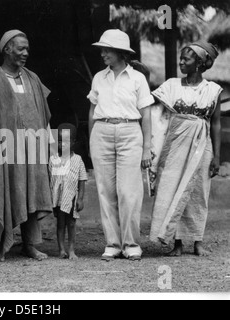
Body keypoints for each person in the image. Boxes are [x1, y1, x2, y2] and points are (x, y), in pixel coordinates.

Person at [0, 30, 53, 262]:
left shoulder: (32, 78)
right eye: (20, 49)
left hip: (32, 151)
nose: (26, 53)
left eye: (27, 49)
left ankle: (29, 245)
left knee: (32, 194)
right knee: (2, 192)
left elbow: (43, 115)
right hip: (3, 152)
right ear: (7, 49)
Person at [149, 41, 223, 257]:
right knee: (174, 187)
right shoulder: (171, 85)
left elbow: (216, 123)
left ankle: (197, 241)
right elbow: (154, 112)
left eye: (186, 59)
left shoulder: (212, 90)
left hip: (202, 144)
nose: (181, 62)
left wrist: (217, 156)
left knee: (198, 191)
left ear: (199, 63)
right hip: (176, 144)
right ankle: (177, 242)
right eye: (180, 58)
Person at [87, 29, 154, 262]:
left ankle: (131, 243)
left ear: (120, 52)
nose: (103, 54)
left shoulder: (137, 79)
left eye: (107, 50)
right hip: (102, 132)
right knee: (106, 191)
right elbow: (92, 110)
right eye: (102, 49)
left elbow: (146, 115)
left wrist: (147, 148)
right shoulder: (98, 77)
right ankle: (113, 244)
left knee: (129, 192)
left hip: (129, 133)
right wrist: (92, 139)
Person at [49, 123, 88, 260]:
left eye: (66, 141)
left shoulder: (77, 160)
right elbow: (50, 179)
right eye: (59, 141)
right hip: (58, 198)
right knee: (60, 224)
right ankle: (61, 250)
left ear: (74, 142)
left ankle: (71, 249)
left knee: (71, 224)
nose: (62, 144)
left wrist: (81, 198)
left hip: (71, 198)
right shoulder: (53, 159)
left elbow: (82, 179)